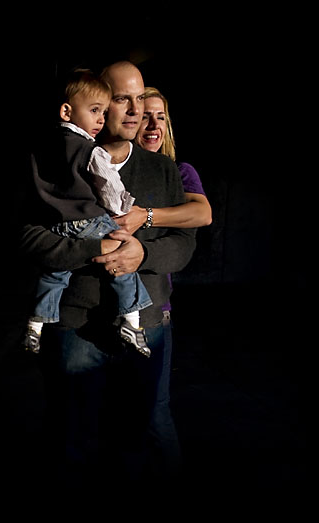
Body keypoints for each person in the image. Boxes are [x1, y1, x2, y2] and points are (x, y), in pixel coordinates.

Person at [19, 61, 197, 487]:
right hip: (75, 327)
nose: (135, 111)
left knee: (137, 440)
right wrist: (92, 248)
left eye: (140, 99)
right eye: (122, 100)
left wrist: (141, 253)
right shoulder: (53, 157)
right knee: (71, 440)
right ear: (95, 104)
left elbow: (184, 246)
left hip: (147, 327)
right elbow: (27, 237)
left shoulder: (161, 168)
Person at [119, 86, 213, 480]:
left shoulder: (178, 171)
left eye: (162, 117)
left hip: (155, 307)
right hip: (108, 302)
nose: (154, 123)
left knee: (154, 411)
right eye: (146, 115)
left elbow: (201, 213)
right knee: (114, 410)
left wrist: (148, 217)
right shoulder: (112, 166)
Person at [24, 69, 152, 357]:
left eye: (104, 112)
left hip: (55, 225)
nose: (100, 120)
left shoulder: (40, 148)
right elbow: (109, 186)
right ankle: (132, 321)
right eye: (95, 110)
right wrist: (123, 209)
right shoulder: (90, 150)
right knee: (123, 259)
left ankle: (36, 324)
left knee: (55, 273)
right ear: (67, 111)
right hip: (88, 221)